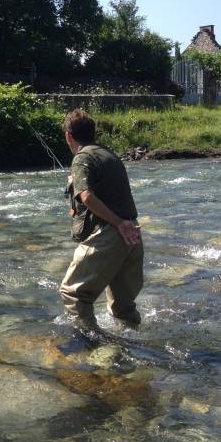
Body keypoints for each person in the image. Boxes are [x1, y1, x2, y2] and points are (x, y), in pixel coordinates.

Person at [59, 109, 143, 332]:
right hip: (132, 234)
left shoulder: (82, 157)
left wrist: (117, 223)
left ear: (69, 136)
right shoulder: (108, 154)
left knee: (73, 293)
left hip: (113, 232)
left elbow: (86, 196)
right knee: (123, 307)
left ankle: (90, 347)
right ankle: (131, 346)